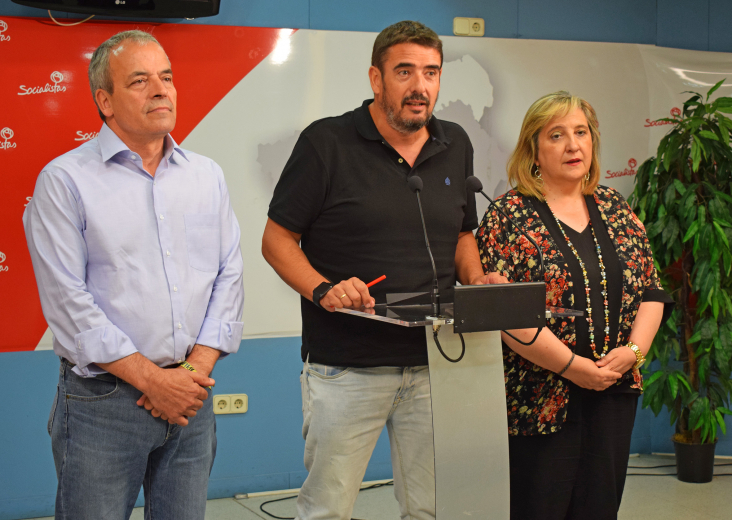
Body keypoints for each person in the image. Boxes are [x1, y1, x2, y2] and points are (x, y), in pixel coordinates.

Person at [262, 20, 503, 520]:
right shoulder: (326, 142)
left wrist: (478, 281)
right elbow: (277, 240)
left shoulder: (455, 142)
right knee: (327, 511)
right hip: (347, 365)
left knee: (433, 509)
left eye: (431, 73)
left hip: (437, 360)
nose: (420, 86)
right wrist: (323, 288)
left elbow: (462, 234)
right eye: (405, 72)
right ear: (377, 78)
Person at [23, 30, 244, 520]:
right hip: (104, 404)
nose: (161, 90)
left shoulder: (206, 175)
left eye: (166, 77)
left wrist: (190, 374)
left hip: (191, 398)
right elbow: (68, 302)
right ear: (104, 101)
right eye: (140, 81)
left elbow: (229, 275)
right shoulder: (65, 180)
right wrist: (153, 381)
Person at [476, 91, 673, 519]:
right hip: (538, 398)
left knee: (600, 508)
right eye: (556, 135)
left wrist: (634, 352)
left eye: (581, 132)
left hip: (614, 391)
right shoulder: (507, 216)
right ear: (533, 150)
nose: (573, 145)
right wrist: (572, 366)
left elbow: (652, 292)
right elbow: (506, 313)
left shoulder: (615, 207)